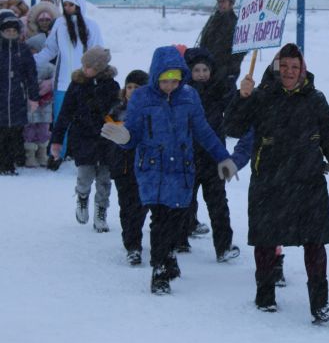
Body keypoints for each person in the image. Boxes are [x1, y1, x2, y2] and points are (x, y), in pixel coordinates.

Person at [224, 42, 329, 324]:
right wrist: (242, 96)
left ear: (302, 70)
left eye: (294, 67)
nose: (288, 71)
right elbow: (233, 127)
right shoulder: (261, 96)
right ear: (275, 68)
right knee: (265, 241)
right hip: (269, 182)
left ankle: (319, 303)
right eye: (283, 66)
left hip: (307, 181)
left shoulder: (315, 99)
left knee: (315, 243)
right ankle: (265, 295)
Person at [101, 46, 237, 295]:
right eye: (165, 80)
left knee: (178, 217)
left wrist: (223, 158)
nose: (170, 86)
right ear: (156, 77)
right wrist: (124, 138)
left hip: (182, 167)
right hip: (152, 168)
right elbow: (133, 135)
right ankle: (159, 271)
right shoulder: (142, 98)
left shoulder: (189, 97)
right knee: (160, 218)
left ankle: (169, 256)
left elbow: (203, 131)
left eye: (175, 80)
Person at [179, 47, 243, 263]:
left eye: (205, 69)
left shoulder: (218, 90)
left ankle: (223, 246)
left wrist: (238, 92)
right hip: (188, 156)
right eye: (196, 70)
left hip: (214, 156)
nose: (201, 74)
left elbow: (235, 112)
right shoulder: (184, 93)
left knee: (218, 203)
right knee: (185, 200)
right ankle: (180, 238)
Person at [50, 47, 120, 232]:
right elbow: (65, 113)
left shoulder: (111, 86)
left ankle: (101, 211)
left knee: (105, 179)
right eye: (84, 65)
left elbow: (118, 112)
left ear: (100, 68)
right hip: (83, 139)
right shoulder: (77, 84)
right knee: (85, 176)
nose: (85, 69)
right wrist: (56, 140)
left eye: (90, 66)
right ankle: (82, 197)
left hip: (106, 139)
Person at [35, 0, 104, 157]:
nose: (67, 8)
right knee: (61, 120)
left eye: (71, 4)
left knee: (84, 120)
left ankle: (81, 153)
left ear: (79, 5)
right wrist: (31, 62)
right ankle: (59, 154)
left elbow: (98, 52)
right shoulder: (59, 25)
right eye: (64, 5)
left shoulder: (91, 26)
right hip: (62, 82)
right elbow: (50, 49)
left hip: (85, 82)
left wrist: (99, 75)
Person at [107, 70, 150, 266]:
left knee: (141, 207)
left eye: (137, 87)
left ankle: (135, 240)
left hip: (144, 167)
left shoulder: (151, 111)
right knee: (126, 206)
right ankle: (132, 245)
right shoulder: (116, 111)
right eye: (129, 87)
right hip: (121, 167)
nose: (132, 91)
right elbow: (107, 137)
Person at [0, 11, 39, 175]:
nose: (10, 34)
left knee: (15, 131)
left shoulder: (23, 50)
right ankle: (2, 163)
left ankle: (11, 162)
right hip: (1, 97)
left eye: (13, 31)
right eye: (7, 31)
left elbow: (31, 75)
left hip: (17, 97)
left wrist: (33, 97)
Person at [198, 0, 246, 89]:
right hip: (208, 68)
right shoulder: (212, 20)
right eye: (219, 2)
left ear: (231, 4)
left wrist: (229, 70)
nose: (220, 4)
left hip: (225, 71)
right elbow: (203, 41)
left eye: (224, 2)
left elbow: (240, 51)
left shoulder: (236, 23)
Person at [23, 34, 54, 167]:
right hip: (29, 104)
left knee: (43, 130)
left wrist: (46, 90)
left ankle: (42, 153)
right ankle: (30, 155)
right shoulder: (24, 65)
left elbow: (54, 80)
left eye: (35, 49)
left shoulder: (48, 66)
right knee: (29, 129)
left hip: (45, 105)